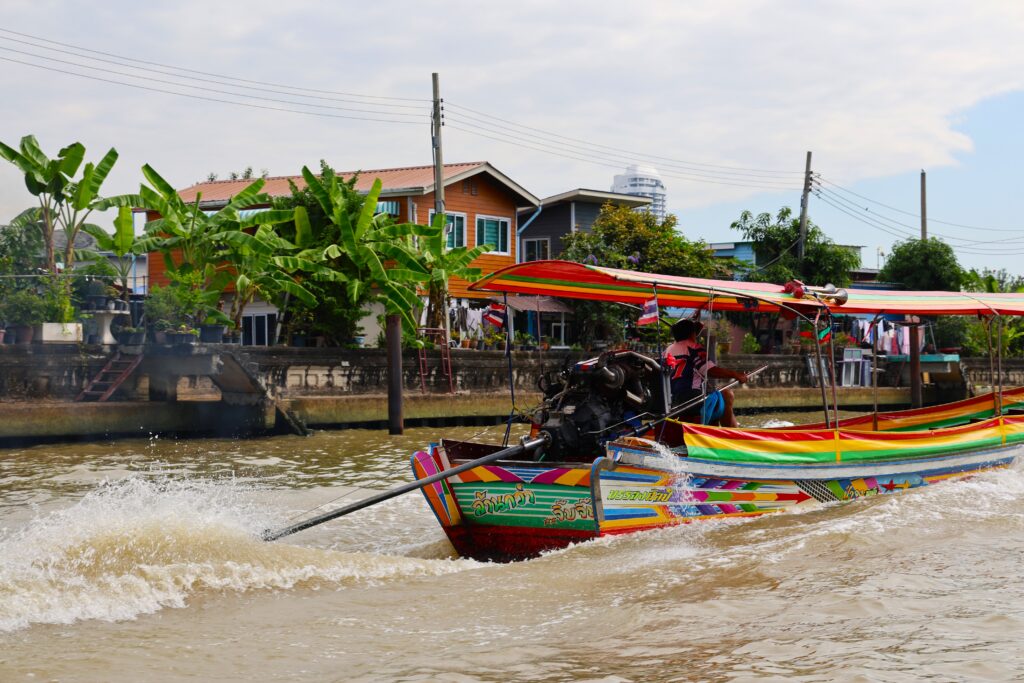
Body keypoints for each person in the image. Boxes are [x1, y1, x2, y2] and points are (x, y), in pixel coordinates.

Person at [664, 319, 747, 427]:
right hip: (692, 401)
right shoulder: (694, 348)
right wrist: (735, 374)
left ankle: (716, 431)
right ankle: (733, 434)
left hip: (670, 401)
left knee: (713, 396)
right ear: (692, 333)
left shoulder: (667, 350)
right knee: (726, 394)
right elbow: (710, 370)